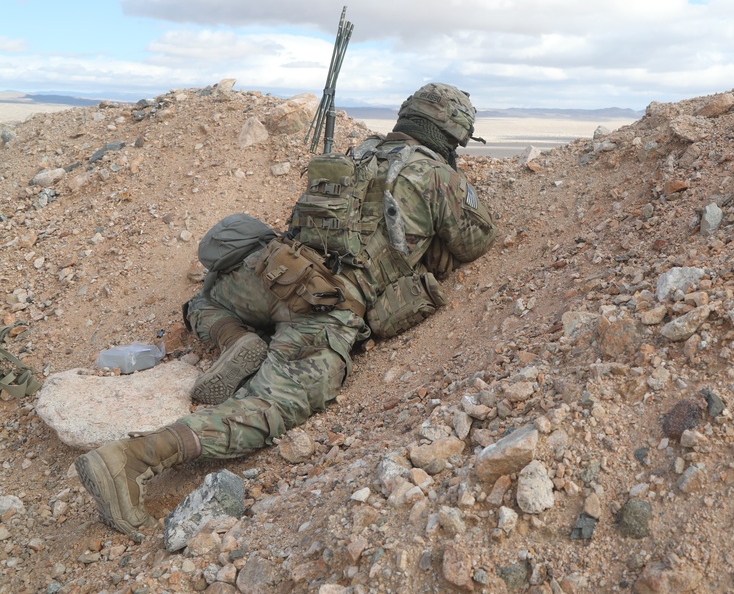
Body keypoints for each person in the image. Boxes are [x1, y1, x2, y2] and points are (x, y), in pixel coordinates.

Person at [74, 83, 498, 540]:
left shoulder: (358, 154)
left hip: (274, 272)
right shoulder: (438, 176)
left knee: (204, 297)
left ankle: (236, 338)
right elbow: (476, 241)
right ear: (451, 135)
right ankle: (131, 458)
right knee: (273, 407)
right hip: (326, 308)